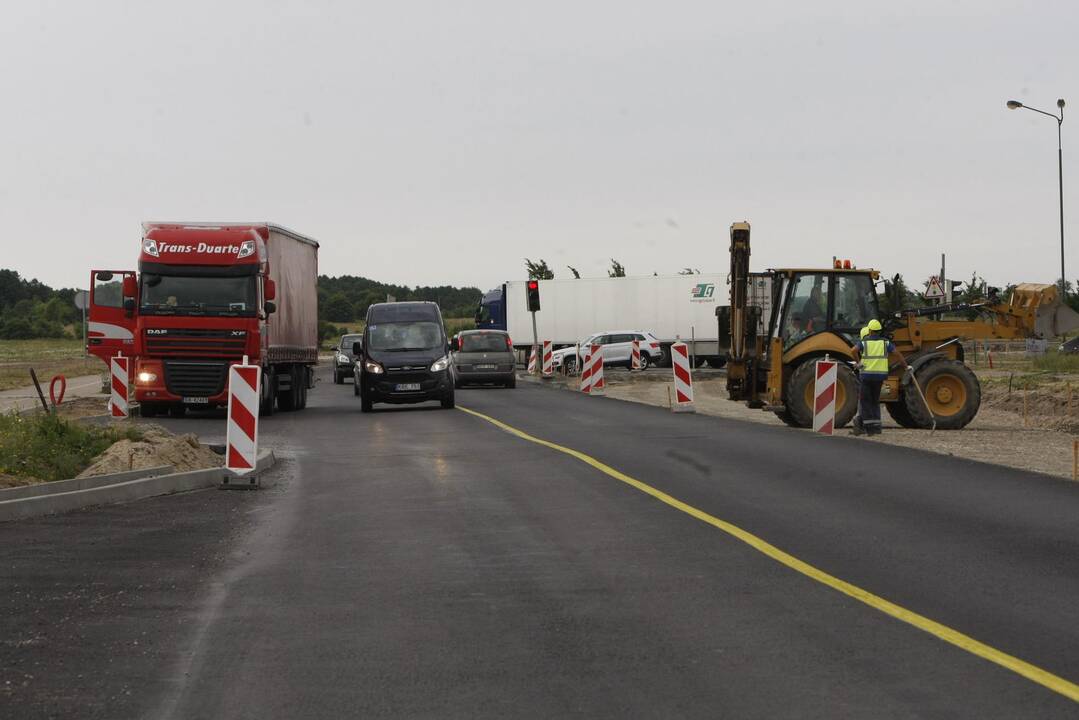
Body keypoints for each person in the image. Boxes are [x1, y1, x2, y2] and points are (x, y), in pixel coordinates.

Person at [850, 319, 894, 436]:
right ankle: (876, 427)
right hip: (879, 376)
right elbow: (896, 353)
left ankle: (867, 427)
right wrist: (906, 366)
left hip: (867, 375)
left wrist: (858, 364)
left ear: (869, 331)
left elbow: (854, 351)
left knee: (865, 402)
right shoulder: (884, 342)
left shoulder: (864, 342)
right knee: (874, 401)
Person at [850, 325, 871, 433]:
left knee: (863, 399)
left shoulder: (863, 344)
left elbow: (854, 351)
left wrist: (858, 364)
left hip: (865, 374)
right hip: (874, 375)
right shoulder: (880, 344)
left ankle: (860, 423)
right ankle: (863, 423)